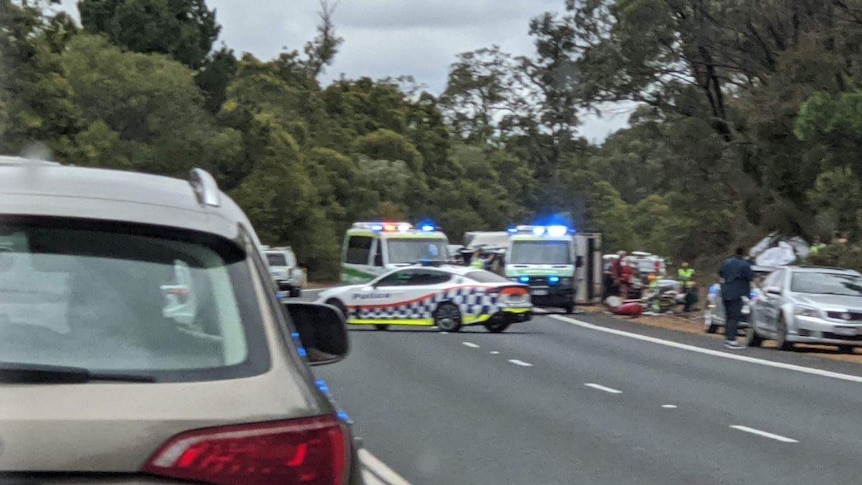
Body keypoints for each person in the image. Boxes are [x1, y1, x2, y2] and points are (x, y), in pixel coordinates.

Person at [718, 247, 753, 349]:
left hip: (725, 292)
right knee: (734, 317)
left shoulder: (727, 262)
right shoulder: (745, 265)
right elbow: (750, 277)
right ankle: (731, 340)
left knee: (728, 317)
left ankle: (727, 338)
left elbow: (721, 273)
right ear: (743, 254)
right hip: (736, 294)